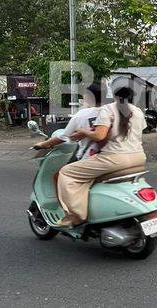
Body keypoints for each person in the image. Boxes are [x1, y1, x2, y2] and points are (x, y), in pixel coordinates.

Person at [54, 84, 147, 227]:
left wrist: (83, 132)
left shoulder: (108, 109)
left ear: (115, 96)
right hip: (138, 157)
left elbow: (99, 135)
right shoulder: (138, 111)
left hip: (114, 158)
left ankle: (75, 215)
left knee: (66, 173)